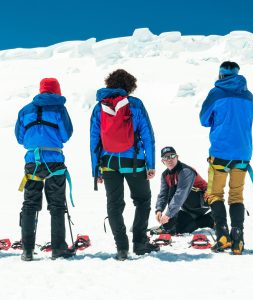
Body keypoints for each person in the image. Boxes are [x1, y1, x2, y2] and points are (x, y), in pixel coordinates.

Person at [90, 69, 159, 261]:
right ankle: (139, 242)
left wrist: (96, 169)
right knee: (143, 200)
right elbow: (147, 135)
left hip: (109, 163)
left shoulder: (99, 107)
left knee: (114, 204)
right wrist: (151, 164)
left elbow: (94, 140)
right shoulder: (135, 104)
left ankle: (121, 247)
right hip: (134, 162)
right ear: (129, 86)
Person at [15, 78, 74, 261]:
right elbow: (66, 135)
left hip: (33, 161)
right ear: (57, 91)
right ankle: (58, 249)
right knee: (56, 205)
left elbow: (20, 138)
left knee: (30, 204)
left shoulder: (25, 110)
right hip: (54, 161)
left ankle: (27, 250)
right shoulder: (59, 109)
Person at [200, 61, 253, 254]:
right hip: (242, 153)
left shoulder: (216, 93)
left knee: (215, 194)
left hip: (220, 153)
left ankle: (222, 235)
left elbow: (203, 120)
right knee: (236, 195)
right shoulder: (248, 96)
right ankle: (238, 239)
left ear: (221, 75)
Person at [155, 146, 214, 235]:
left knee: (174, 190)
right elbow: (163, 195)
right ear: (162, 161)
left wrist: (168, 215)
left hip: (202, 201)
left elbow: (180, 194)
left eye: (172, 156)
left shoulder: (185, 171)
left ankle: (170, 224)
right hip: (188, 206)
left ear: (177, 157)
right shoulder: (165, 175)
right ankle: (209, 219)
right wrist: (159, 210)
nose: (169, 159)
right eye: (166, 157)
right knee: (179, 229)